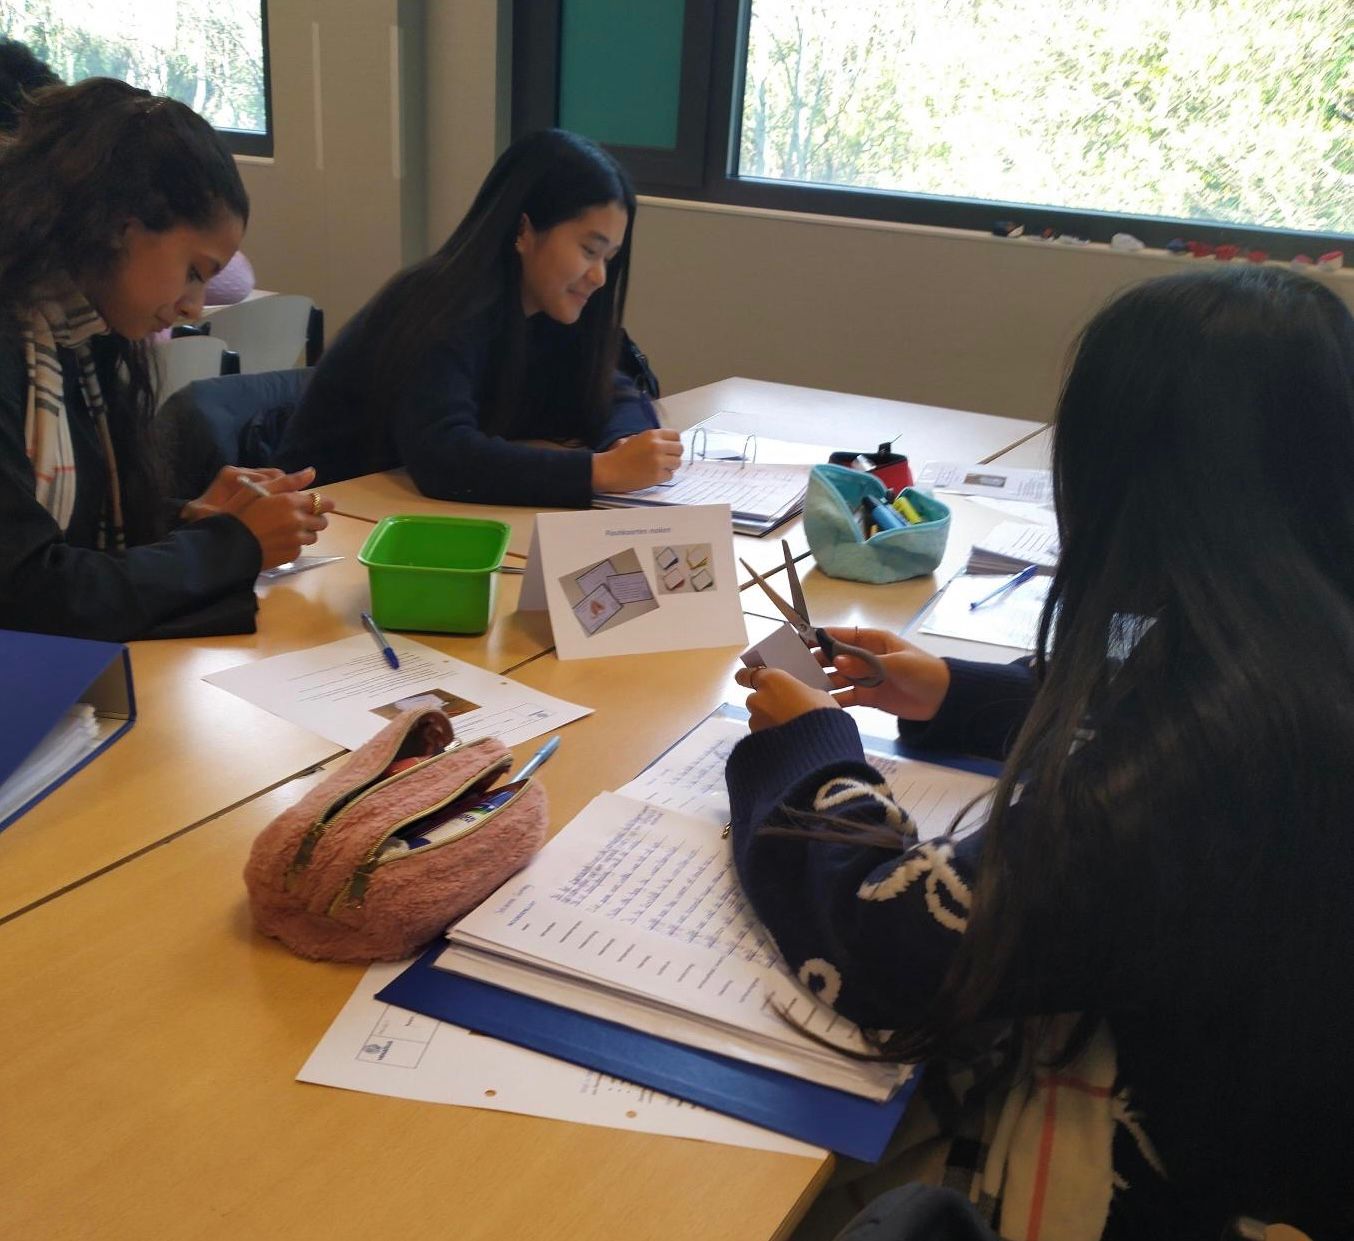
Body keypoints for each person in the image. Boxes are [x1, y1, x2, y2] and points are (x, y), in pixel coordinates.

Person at [727, 266, 1354, 1239]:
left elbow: (899, 946)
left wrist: (810, 751)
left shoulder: (1208, 766)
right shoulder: (1295, 645)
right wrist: (960, 693)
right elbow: (1145, 690)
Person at [0, 78, 334, 642]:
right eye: (194, 272)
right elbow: (26, 591)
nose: (193, 306)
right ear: (120, 228)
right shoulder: (19, 340)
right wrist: (232, 545)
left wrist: (187, 517)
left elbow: (78, 527)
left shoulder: (77, 332)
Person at [275, 128, 681, 506]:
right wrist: (600, 471)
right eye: (589, 251)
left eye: (609, 258)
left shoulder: (548, 311)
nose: (599, 277)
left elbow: (609, 387)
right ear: (523, 230)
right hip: (328, 516)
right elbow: (444, 455)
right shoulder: (439, 304)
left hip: (405, 512)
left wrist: (624, 442)